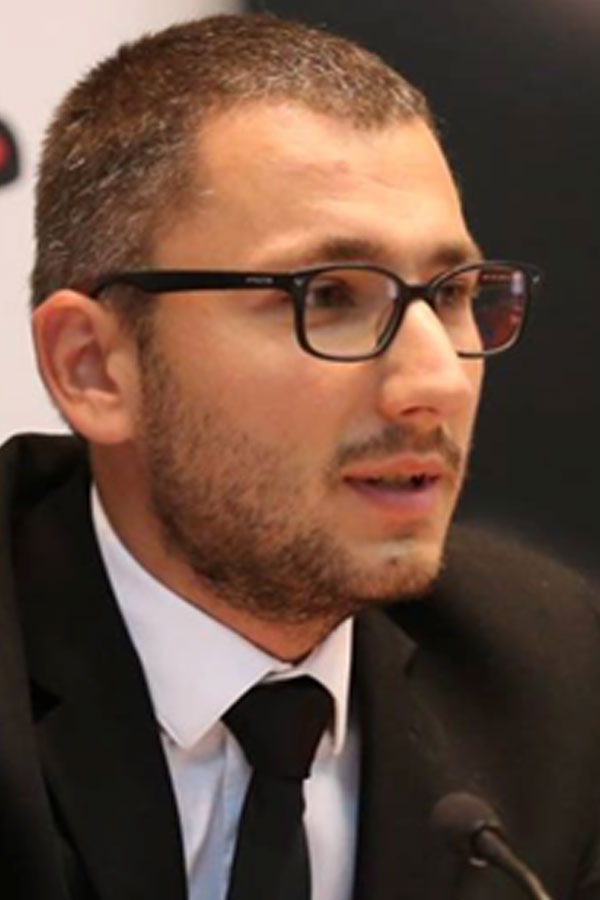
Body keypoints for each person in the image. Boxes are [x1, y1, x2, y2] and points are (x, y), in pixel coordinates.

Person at [1, 13, 600, 900]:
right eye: (327, 297)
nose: (437, 380)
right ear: (93, 367)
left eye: (454, 295)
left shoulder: (551, 679)